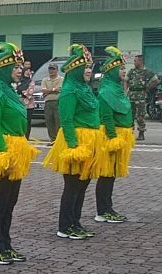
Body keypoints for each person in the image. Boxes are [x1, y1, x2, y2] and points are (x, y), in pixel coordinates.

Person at [0, 43, 39, 264]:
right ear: (3, 68)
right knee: (0, 201)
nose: (19, 70)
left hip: (16, 148)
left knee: (10, 201)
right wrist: (5, 154)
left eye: (20, 66)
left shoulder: (9, 91)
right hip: (3, 150)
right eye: (15, 66)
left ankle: (6, 243)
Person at [43, 44, 102, 240]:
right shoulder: (69, 91)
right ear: (75, 69)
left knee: (83, 184)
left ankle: (75, 222)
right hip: (75, 141)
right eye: (84, 67)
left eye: (90, 67)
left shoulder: (85, 88)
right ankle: (65, 225)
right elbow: (66, 121)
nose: (88, 71)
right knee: (72, 186)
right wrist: (74, 147)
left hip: (90, 141)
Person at [94, 47, 135, 223]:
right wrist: (112, 138)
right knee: (106, 173)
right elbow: (106, 117)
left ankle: (107, 207)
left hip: (122, 135)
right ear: (111, 71)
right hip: (112, 136)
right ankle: (102, 210)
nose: (123, 72)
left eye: (124, 68)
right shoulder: (106, 91)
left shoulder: (117, 88)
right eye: (120, 69)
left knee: (111, 174)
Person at [126, 53, 158, 141]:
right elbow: (126, 80)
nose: (134, 62)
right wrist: (126, 91)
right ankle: (130, 133)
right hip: (131, 95)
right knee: (130, 116)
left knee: (140, 116)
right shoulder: (132, 71)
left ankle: (141, 133)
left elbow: (155, 80)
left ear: (140, 61)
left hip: (141, 96)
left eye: (135, 61)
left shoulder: (146, 72)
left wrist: (148, 87)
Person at [41, 62, 63, 142]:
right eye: (50, 69)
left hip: (58, 102)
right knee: (49, 121)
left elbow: (59, 89)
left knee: (58, 121)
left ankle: (58, 140)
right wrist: (54, 90)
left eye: (53, 69)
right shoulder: (45, 80)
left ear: (57, 70)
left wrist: (48, 91)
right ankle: (52, 139)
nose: (51, 71)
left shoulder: (61, 79)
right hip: (48, 102)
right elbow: (43, 90)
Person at [17, 60, 36, 139]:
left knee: (27, 122)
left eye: (29, 71)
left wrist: (21, 91)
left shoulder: (31, 82)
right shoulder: (18, 82)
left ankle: (26, 137)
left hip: (29, 106)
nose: (28, 72)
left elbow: (29, 93)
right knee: (19, 121)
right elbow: (15, 91)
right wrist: (22, 92)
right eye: (26, 71)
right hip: (19, 105)